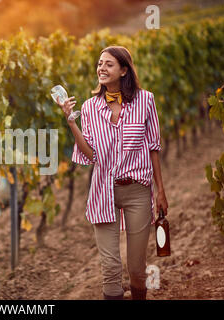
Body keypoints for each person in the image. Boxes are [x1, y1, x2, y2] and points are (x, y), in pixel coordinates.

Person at [56, 46, 168, 300]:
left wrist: (160, 190)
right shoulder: (90, 108)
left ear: (124, 70)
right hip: (103, 191)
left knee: (137, 270)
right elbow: (91, 155)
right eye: (99, 64)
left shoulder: (145, 101)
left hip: (138, 191)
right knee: (110, 268)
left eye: (108, 64)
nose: (101, 69)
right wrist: (71, 122)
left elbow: (153, 148)